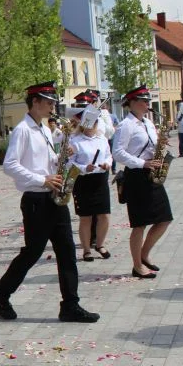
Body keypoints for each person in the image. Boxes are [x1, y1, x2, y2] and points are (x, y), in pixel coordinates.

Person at [0, 81, 100, 324]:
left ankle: (70, 304)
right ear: (35, 102)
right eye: (48, 102)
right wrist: (42, 179)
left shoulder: (45, 129)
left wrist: (61, 157)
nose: (52, 107)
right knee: (32, 253)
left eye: (53, 103)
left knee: (67, 251)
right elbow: (10, 165)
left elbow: (43, 161)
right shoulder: (23, 130)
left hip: (54, 197)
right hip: (36, 199)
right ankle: (0, 293)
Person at [111, 84, 173, 279]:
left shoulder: (147, 122)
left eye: (148, 101)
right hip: (136, 176)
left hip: (152, 174)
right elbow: (117, 153)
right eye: (144, 101)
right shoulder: (126, 125)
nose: (148, 104)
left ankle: (144, 255)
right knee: (139, 224)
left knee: (165, 218)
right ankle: (137, 265)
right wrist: (142, 163)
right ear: (133, 103)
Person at [69, 107, 112, 261]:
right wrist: (83, 168)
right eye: (89, 124)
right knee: (86, 217)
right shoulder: (75, 141)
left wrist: (107, 164)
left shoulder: (102, 139)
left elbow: (108, 156)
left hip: (100, 179)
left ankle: (100, 244)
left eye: (94, 123)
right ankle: (86, 249)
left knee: (104, 215)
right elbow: (69, 163)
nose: (92, 127)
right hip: (83, 181)